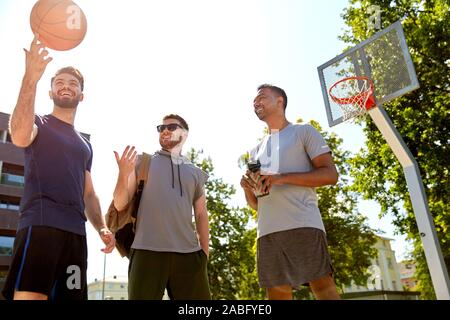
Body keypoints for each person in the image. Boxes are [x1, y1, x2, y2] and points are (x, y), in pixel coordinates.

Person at [1, 35, 115, 300]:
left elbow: (89, 193)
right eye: (59, 83)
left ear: (81, 95)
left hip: (75, 234)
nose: (66, 87)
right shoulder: (38, 123)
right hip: (41, 225)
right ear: (51, 92)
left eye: (73, 84)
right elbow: (18, 135)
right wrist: (31, 78)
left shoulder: (85, 144)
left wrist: (101, 227)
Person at [240, 84, 341, 300]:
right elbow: (256, 204)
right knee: (276, 294)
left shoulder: (303, 132)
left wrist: (281, 178)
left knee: (323, 288)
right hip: (267, 232)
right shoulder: (254, 152)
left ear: (280, 101)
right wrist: (247, 188)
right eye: (254, 101)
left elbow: (330, 175)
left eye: (262, 97)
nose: (256, 103)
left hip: (303, 224)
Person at [113, 114, 211, 300]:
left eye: (172, 127)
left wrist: (204, 253)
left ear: (184, 134)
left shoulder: (196, 173)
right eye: (161, 128)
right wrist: (122, 175)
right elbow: (119, 204)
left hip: (189, 255)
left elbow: (201, 215)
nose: (165, 130)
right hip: (146, 252)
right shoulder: (143, 162)